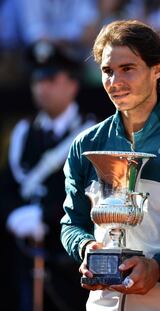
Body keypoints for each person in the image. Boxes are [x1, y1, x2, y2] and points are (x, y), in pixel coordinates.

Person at [60, 19, 160, 311]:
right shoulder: (85, 145)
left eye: (127, 68)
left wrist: (159, 267)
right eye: (107, 71)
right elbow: (72, 223)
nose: (115, 81)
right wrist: (86, 248)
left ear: (157, 69)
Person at [0, 42, 95, 311]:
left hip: (68, 259)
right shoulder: (24, 133)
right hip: (27, 256)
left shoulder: (89, 133)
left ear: (72, 84)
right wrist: (13, 216)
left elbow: (92, 194)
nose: (42, 88)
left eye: (51, 79)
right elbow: (8, 186)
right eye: (37, 80)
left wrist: (45, 217)